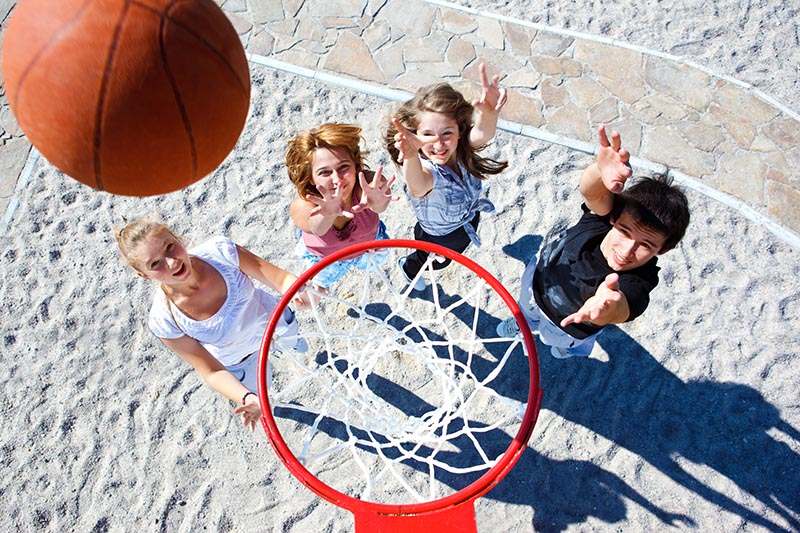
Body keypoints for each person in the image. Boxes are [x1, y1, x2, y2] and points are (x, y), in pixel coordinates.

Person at [497, 126, 690, 358]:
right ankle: (525, 322)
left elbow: (624, 305)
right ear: (614, 218)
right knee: (527, 310)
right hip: (538, 281)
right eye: (625, 231)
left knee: (555, 342)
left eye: (646, 245)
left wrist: (607, 309)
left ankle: (571, 348)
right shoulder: (598, 222)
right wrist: (599, 171)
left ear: (663, 249)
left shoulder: (640, 280)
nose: (628, 249)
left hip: (569, 326)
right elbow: (592, 193)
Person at [115, 219, 308, 430]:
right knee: (260, 393)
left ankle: (296, 347)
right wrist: (245, 397)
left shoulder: (220, 252)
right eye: (155, 264)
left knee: (297, 344)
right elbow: (211, 371)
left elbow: (281, 279)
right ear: (143, 274)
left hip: (274, 321)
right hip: (240, 361)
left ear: (176, 238)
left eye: (170, 247)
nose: (171, 262)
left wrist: (299, 289)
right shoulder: (164, 319)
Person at [386, 63, 508, 290]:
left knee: (453, 253)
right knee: (432, 262)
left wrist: (489, 114)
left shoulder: (460, 150)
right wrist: (411, 156)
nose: (439, 144)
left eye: (447, 133)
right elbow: (417, 185)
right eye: (428, 135)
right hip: (437, 236)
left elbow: (483, 133)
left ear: (459, 131)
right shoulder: (427, 171)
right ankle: (409, 268)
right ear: (415, 135)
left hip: (466, 220)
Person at [287, 123, 395, 288]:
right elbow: (318, 229)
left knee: (377, 264)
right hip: (326, 260)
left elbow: (379, 207)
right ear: (310, 177)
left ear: (356, 166)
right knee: (319, 287)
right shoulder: (303, 206)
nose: (337, 180)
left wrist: (379, 201)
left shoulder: (366, 185)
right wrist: (328, 213)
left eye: (343, 167)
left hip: (368, 248)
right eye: (325, 172)